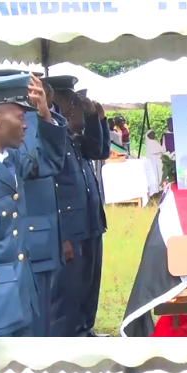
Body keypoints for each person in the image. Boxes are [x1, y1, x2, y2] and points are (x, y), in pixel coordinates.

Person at [0, 72, 65, 337]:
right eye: (21, 116)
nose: (26, 125)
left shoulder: (11, 159)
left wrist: (45, 116)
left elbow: (50, 162)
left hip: (21, 305)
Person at [53, 84, 110, 337]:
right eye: (74, 105)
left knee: (90, 282)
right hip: (70, 228)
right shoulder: (52, 140)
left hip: (91, 222)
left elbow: (100, 150)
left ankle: (85, 329)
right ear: (59, 108)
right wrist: (61, 235)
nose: (78, 110)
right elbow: (50, 192)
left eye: (79, 105)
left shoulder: (76, 139)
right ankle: (70, 336)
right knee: (71, 288)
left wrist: (96, 118)